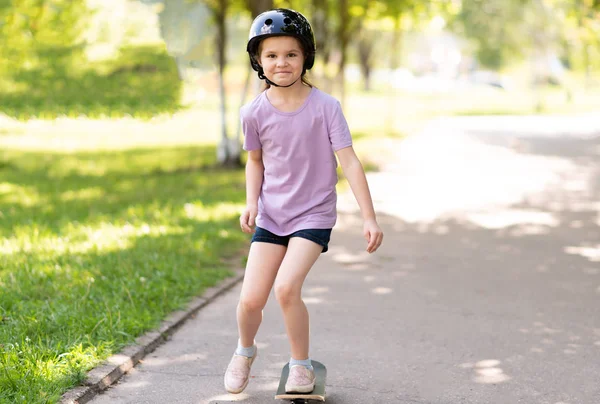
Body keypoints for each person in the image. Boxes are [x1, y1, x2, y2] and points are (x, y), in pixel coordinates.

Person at [224, 8, 383, 395]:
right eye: (272, 55)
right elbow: (255, 161)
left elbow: (349, 160)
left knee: (286, 288)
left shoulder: (326, 107)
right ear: (258, 62)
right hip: (273, 215)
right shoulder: (254, 112)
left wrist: (369, 217)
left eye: (291, 54)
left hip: (313, 213)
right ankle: (245, 351)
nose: (281, 62)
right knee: (249, 302)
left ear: (305, 57)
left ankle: (301, 366)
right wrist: (251, 203)